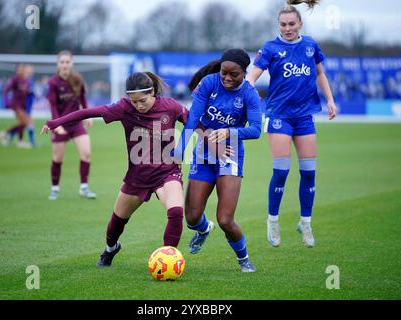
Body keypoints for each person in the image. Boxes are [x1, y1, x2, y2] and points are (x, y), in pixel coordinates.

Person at [41, 71, 188, 267]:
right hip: (137, 176)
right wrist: (56, 122)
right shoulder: (123, 107)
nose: (138, 105)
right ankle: (111, 248)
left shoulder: (171, 107)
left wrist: (215, 140)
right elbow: (88, 112)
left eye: (142, 100)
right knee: (116, 224)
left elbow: (196, 123)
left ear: (152, 92)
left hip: (167, 173)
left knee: (176, 211)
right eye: (134, 102)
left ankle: (168, 260)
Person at [246, 0, 338, 248]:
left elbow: (320, 73)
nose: (287, 28)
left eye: (292, 24)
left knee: (309, 173)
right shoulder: (271, 48)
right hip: (279, 116)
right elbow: (252, 75)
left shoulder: (310, 45)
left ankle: (305, 223)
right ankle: (272, 220)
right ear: (279, 25)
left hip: (304, 116)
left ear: (300, 24)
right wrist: (244, 93)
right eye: (283, 24)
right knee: (282, 171)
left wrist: (330, 100)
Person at [174, 48, 263, 273]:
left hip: (230, 156)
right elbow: (192, 119)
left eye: (234, 75)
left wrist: (229, 132)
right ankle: (203, 230)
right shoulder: (208, 84)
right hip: (203, 154)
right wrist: (178, 152)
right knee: (192, 218)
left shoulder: (250, 94)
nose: (227, 78)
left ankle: (244, 259)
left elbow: (255, 130)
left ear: (245, 73)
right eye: (224, 72)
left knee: (225, 219)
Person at [45, 50, 96, 200]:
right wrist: (56, 125)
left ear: (71, 63)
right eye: (62, 62)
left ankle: (84, 188)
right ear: (58, 64)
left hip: (76, 123)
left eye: (67, 62)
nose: (65, 65)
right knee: (57, 158)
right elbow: (53, 107)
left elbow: (83, 99)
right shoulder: (53, 83)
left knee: (86, 153)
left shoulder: (77, 79)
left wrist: (88, 115)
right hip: (60, 123)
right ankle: (55, 188)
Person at [0, 63, 34, 148]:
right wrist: (6, 101)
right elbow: (6, 90)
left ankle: (7, 134)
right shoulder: (15, 79)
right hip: (16, 105)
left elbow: (26, 93)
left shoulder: (25, 81)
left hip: (22, 105)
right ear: (16, 70)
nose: (21, 70)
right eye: (19, 69)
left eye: (22, 69)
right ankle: (18, 140)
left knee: (24, 123)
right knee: (26, 122)